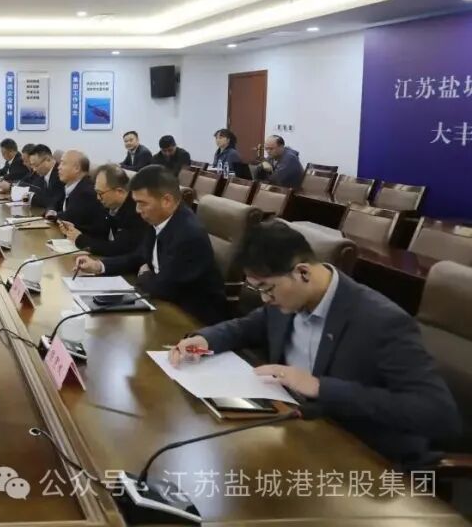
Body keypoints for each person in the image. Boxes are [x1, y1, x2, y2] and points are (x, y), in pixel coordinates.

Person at [170, 221, 460, 468]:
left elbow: (438, 413)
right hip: (295, 432)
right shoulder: (285, 302)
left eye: (267, 289)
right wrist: (203, 339)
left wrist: (321, 387)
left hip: (360, 456)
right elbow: (246, 327)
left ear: (303, 273)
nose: (265, 299)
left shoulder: (381, 321)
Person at [74, 165, 226, 324]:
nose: (138, 210)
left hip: (192, 319)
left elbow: (164, 288)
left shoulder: (188, 234)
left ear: (166, 201)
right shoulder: (159, 219)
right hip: (162, 304)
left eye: (142, 203)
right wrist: (99, 265)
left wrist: (144, 275)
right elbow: (139, 256)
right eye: (136, 203)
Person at [59, 163, 147, 257]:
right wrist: (74, 231)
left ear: (119, 191)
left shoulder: (136, 211)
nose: (98, 198)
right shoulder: (109, 204)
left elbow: (117, 249)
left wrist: (80, 239)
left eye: (100, 193)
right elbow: (98, 232)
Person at [43, 149, 107, 239]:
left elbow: (68, 217)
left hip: (87, 243)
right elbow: (53, 202)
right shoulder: (69, 186)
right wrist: (52, 211)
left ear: (77, 168)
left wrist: (52, 214)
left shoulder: (86, 192)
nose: (58, 167)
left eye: (63, 164)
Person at [20, 144, 63, 210]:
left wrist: (32, 198)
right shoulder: (42, 175)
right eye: (32, 165)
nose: (34, 169)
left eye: (36, 165)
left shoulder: (60, 174)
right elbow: (34, 190)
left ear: (48, 160)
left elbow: (54, 203)